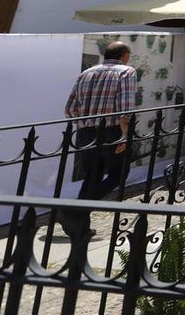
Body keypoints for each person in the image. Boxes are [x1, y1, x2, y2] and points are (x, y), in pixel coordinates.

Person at [62, 41, 137, 240]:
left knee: (92, 176)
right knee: (119, 173)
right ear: (124, 56)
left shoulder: (86, 73)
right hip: (112, 131)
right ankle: (74, 211)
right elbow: (125, 107)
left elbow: (70, 109)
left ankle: (80, 227)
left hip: (86, 132)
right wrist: (124, 134)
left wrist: (87, 123)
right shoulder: (126, 71)